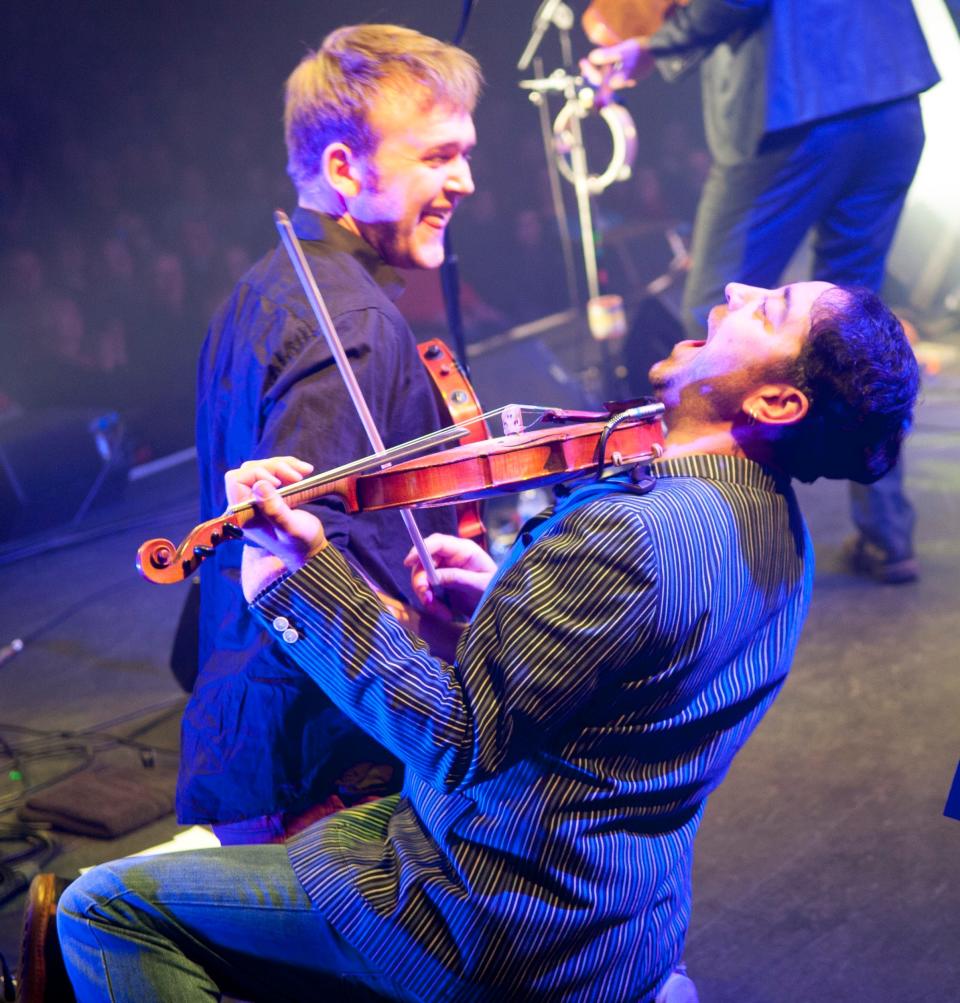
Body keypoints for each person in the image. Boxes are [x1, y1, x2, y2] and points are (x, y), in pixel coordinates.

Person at [58, 280, 919, 1001]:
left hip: (484, 922)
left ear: (778, 401)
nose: (735, 291)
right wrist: (489, 618)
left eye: (768, 310)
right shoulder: (784, 539)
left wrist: (296, 580)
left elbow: (459, 739)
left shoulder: (632, 534)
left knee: (103, 906)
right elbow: (634, 691)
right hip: (618, 921)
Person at [176, 25, 481, 844]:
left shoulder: (256, 293)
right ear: (346, 170)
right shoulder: (352, 325)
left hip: (257, 751)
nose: (466, 180)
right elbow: (305, 578)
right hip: (322, 783)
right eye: (439, 157)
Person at [581, 0, 939, 584]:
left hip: (793, 98)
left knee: (714, 324)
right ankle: (889, 531)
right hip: (892, 88)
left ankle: (679, 545)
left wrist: (654, 46)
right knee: (851, 332)